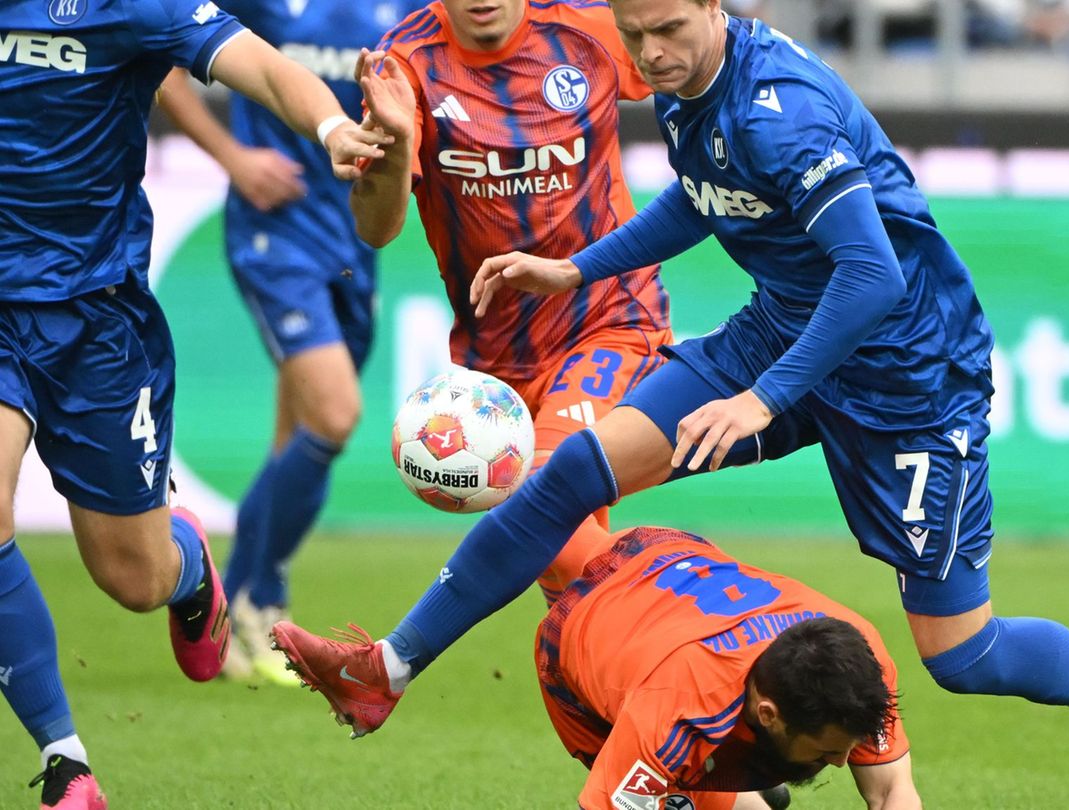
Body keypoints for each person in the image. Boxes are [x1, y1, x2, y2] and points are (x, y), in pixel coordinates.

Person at [273, 2, 1069, 807]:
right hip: (783, 330)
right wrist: (577, 266)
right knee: (569, 477)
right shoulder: (685, 84)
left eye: (671, 29)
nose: (651, 54)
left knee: (962, 657)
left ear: (716, 8)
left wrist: (765, 401)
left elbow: (873, 274)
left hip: (906, 374)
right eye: (636, 35)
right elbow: (700, 197)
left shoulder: (781, 115)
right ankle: (385, 671)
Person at [0, 1, 388, 806]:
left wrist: (330, 131)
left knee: (131, 578)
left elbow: (271, 67)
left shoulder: (132, 4)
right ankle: (66, 762)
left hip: (95, 321)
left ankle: (186, 570)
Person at [345, 0, 673, 603]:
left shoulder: (590, 32)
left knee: (540, 508)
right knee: (560, 569)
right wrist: (392, 147)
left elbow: (693, 59)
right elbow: (375, 228)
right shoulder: (406, 64)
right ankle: (627, 675)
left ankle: (696, 623)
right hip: (496, 360)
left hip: (611, 319)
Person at [156, 0, 429, 685]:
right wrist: (233, 156)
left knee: (298, 438)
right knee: (336, 415)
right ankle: (260, 597)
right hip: (274, 235)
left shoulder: (406, 10)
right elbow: (163, 66)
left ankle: (229, 605)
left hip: (354, 242)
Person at [282, 526, 918, 808]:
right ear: (768, 710)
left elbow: (891, 792)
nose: (846, 760)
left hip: (671, 559)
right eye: (835, 750)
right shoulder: (673, 720)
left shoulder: (859, 660)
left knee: (551, 516)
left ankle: (386, 668)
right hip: (579, 650)